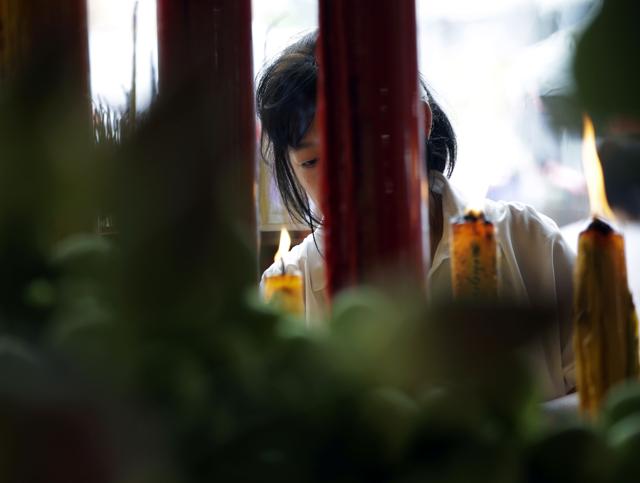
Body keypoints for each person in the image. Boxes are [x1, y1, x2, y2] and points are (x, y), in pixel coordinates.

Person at [257, 31, 575, 400]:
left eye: (362, 145)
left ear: (418, 123)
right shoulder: (287, 289)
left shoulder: (529, 242)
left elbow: (604, 392)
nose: (342, 179)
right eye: (311, 161)